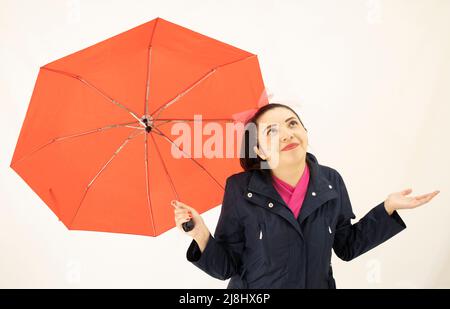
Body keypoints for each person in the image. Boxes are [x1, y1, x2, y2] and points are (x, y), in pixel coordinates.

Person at [172, 103, 440, 288]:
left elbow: (346, 246)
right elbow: (226, 267)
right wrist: (200, 234)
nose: (287, 133)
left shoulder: (330, 181)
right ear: (260, 151)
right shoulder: (240, 188)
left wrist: (388, 208)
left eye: (292, 124)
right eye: (272, 131)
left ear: (305, 132)